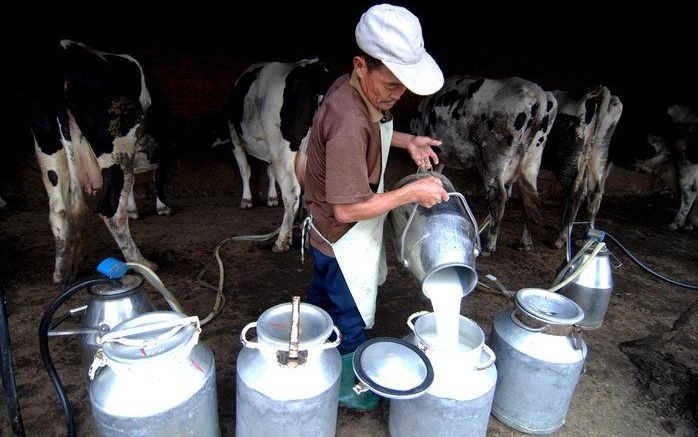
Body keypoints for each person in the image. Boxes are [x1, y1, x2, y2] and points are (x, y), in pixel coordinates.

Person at [302, 4, 449, 410]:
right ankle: (350, 387)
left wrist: (408, 141)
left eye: (404, 86)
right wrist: (411, 194)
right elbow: (348, 210)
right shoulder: (348, 120)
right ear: (361, 65)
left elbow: (375, 128)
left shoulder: (349, 89)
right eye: (390, 85)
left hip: (322, 232)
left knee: (321, 297)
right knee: (349, 316)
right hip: (342, 237)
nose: (397, 95)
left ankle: (308, 342)